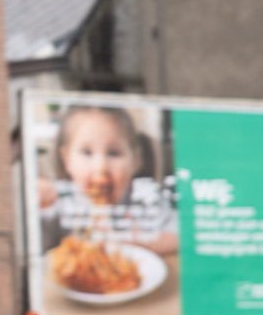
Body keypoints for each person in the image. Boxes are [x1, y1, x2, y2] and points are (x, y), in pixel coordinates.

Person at [36, 104, 178, 255]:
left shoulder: (143, 198)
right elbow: (36, 241)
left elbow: (181, 235)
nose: (101, 167)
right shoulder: (62, 199)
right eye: (86, 152)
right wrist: (39, 201)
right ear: (67, 160)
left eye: (113, 153)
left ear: (135, 160)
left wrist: (141, 242)